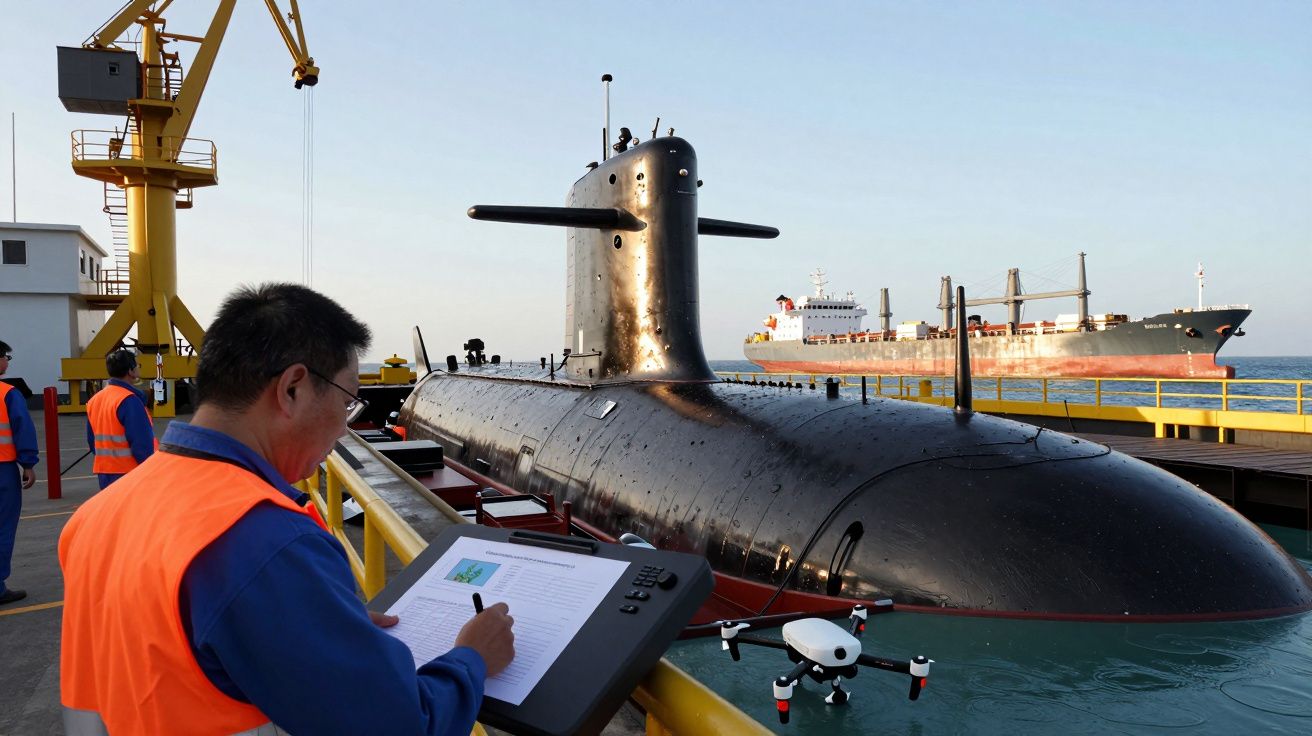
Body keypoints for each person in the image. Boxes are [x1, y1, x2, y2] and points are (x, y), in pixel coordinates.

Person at [60, 283, 515, 735]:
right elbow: (402, 726)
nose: (343, 428)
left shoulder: (96, 514)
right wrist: (472, 658)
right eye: (347, 400)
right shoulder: (267, 542)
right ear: (293, 388)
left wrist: (318, 622)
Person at [0, 341, 39, 605]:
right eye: (5, 357)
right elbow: (22, 428)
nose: (7, 362)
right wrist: (28, 463)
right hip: (2, 470)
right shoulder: (7, 393)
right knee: (3, 527)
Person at [85, 349, 158, 489]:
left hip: (105, 472)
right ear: (131, 371)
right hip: (129, 472)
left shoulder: (95, 400)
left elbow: (92, 440)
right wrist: (150, 470)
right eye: (137, 365)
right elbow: (141, 444)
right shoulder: (129, 400)